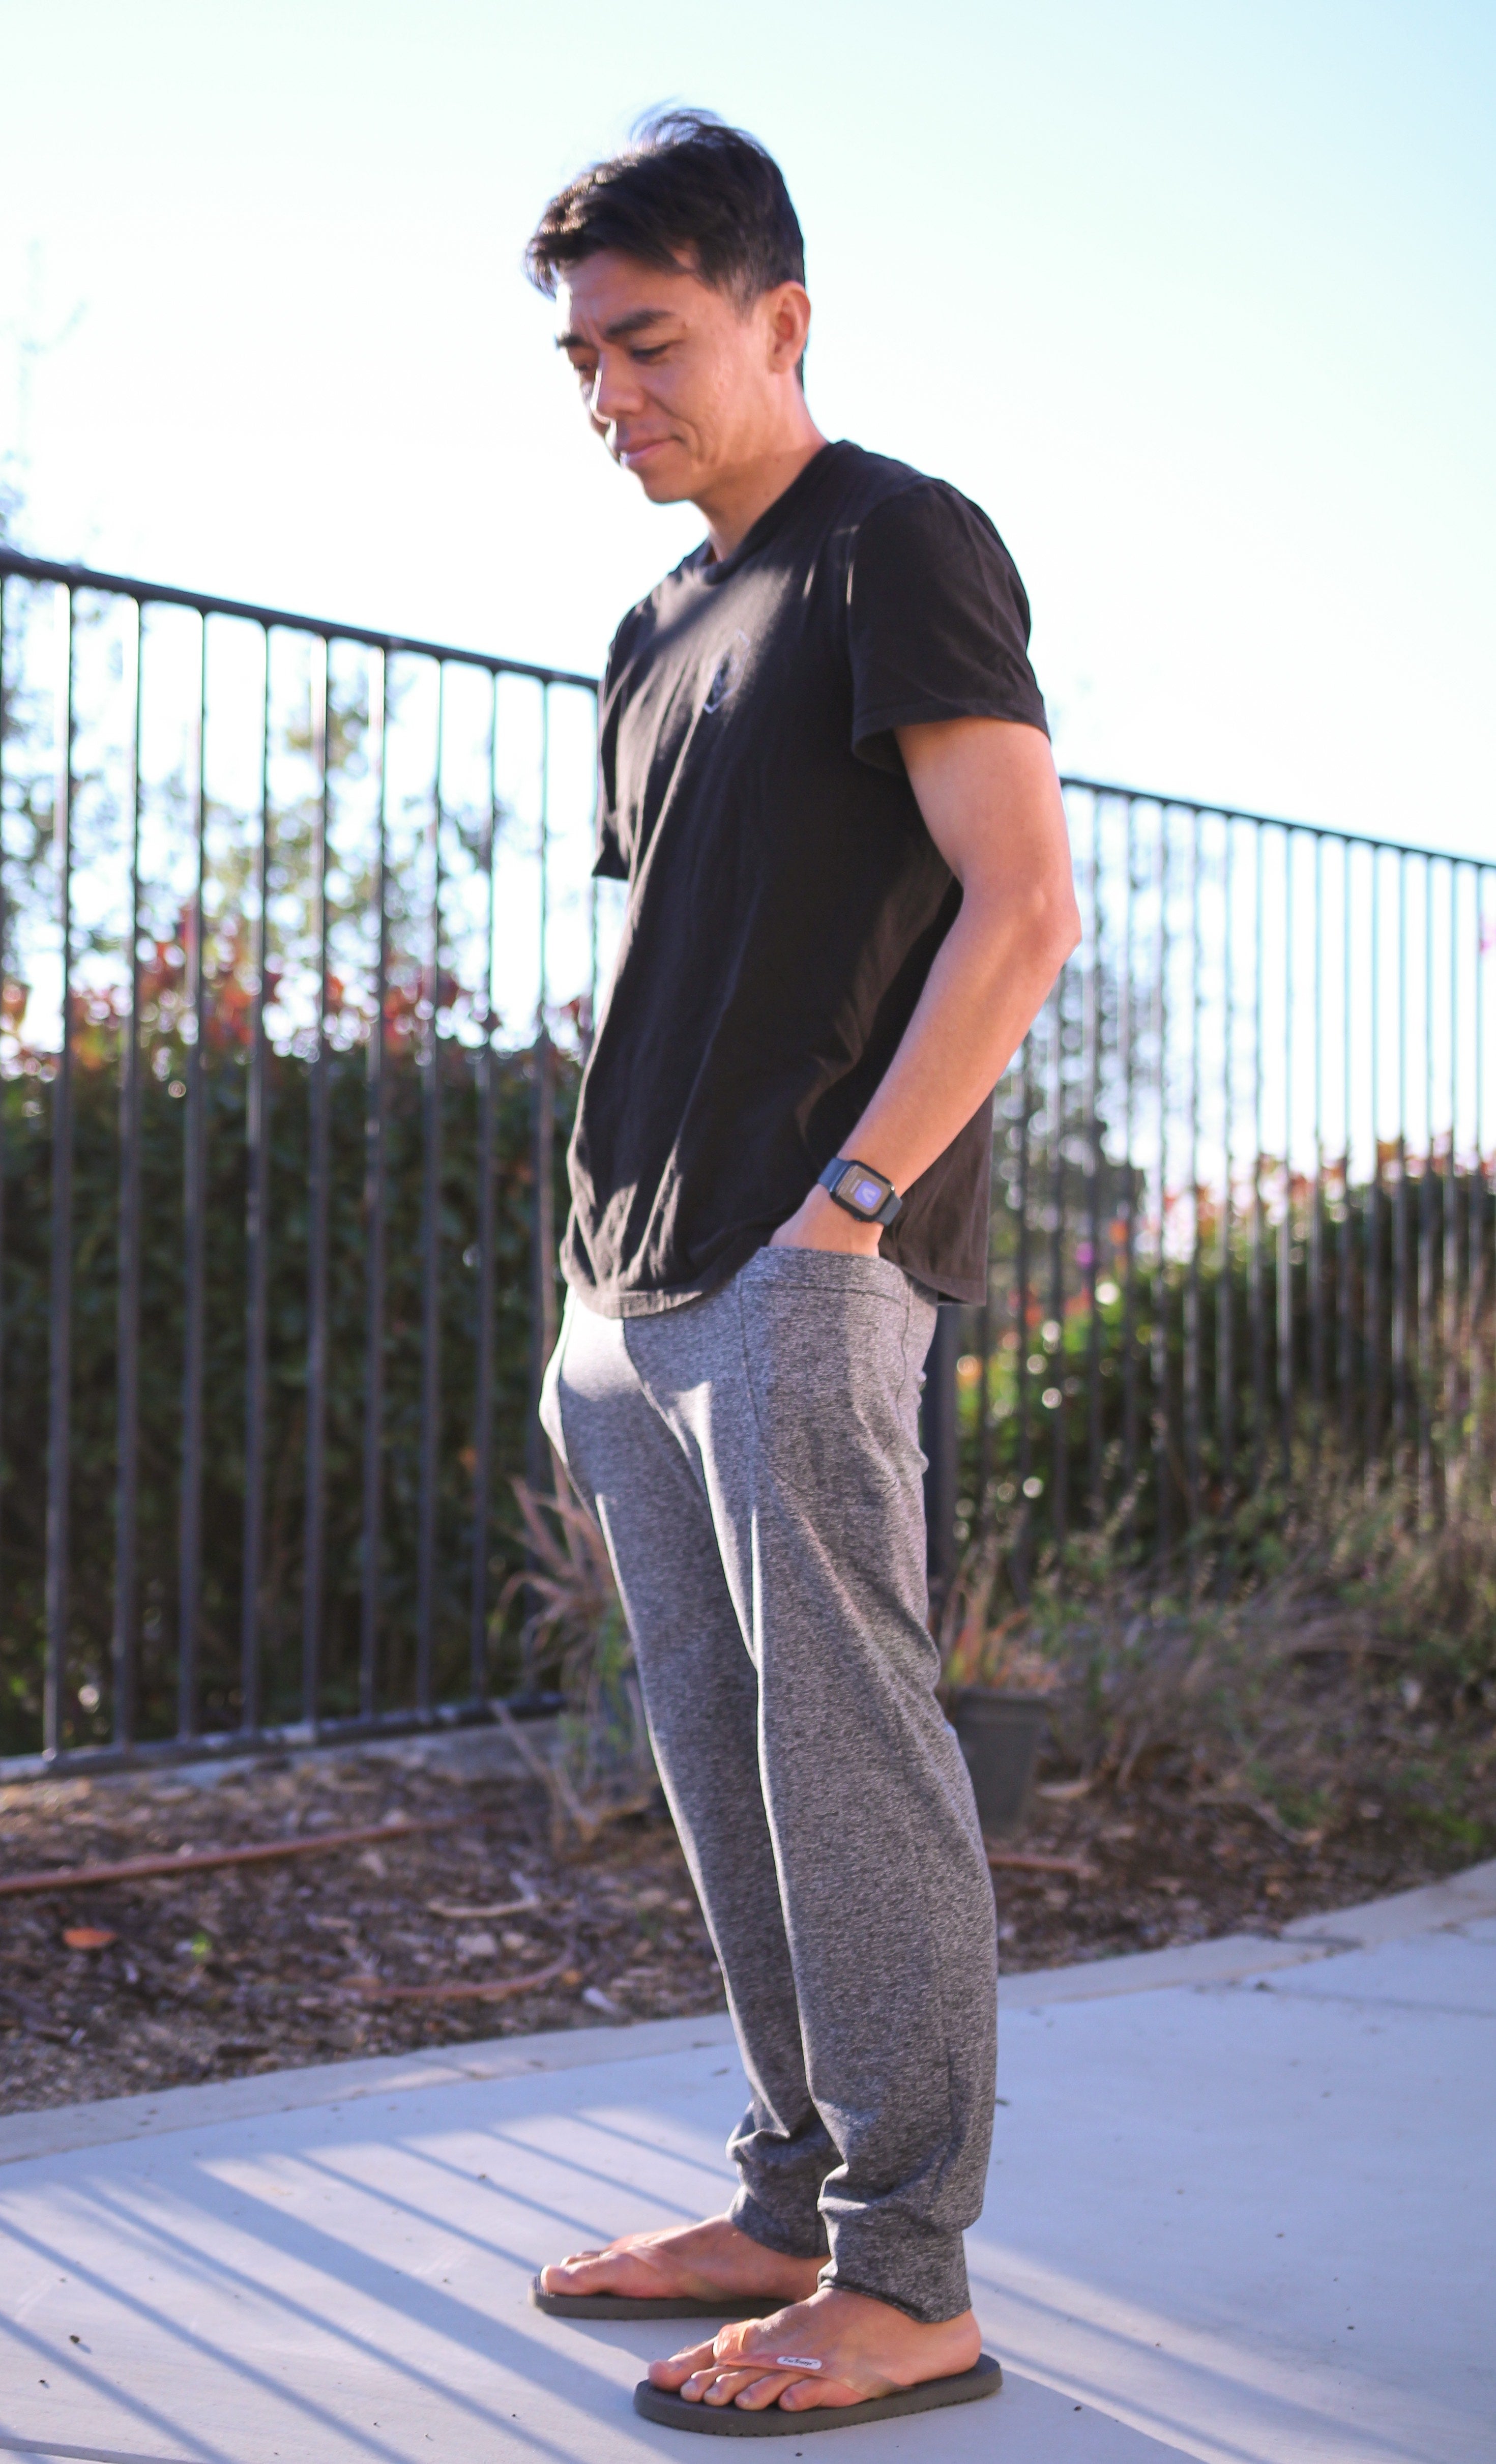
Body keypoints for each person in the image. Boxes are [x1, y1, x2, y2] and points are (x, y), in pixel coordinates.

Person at [525, 111, 1079, 2434]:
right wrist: (588, 1288)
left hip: (802, 1261)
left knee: (850, 1764)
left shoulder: (896, 542)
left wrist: (846, 1204)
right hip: (628, 1298)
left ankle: (906, 2271)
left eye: (649, 343)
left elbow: (1021, 905)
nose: (608, 395)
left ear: (783, 318)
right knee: (725, 1769)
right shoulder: (654, 631)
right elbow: (689, 956)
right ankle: (785, 2198)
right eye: (580, 358)